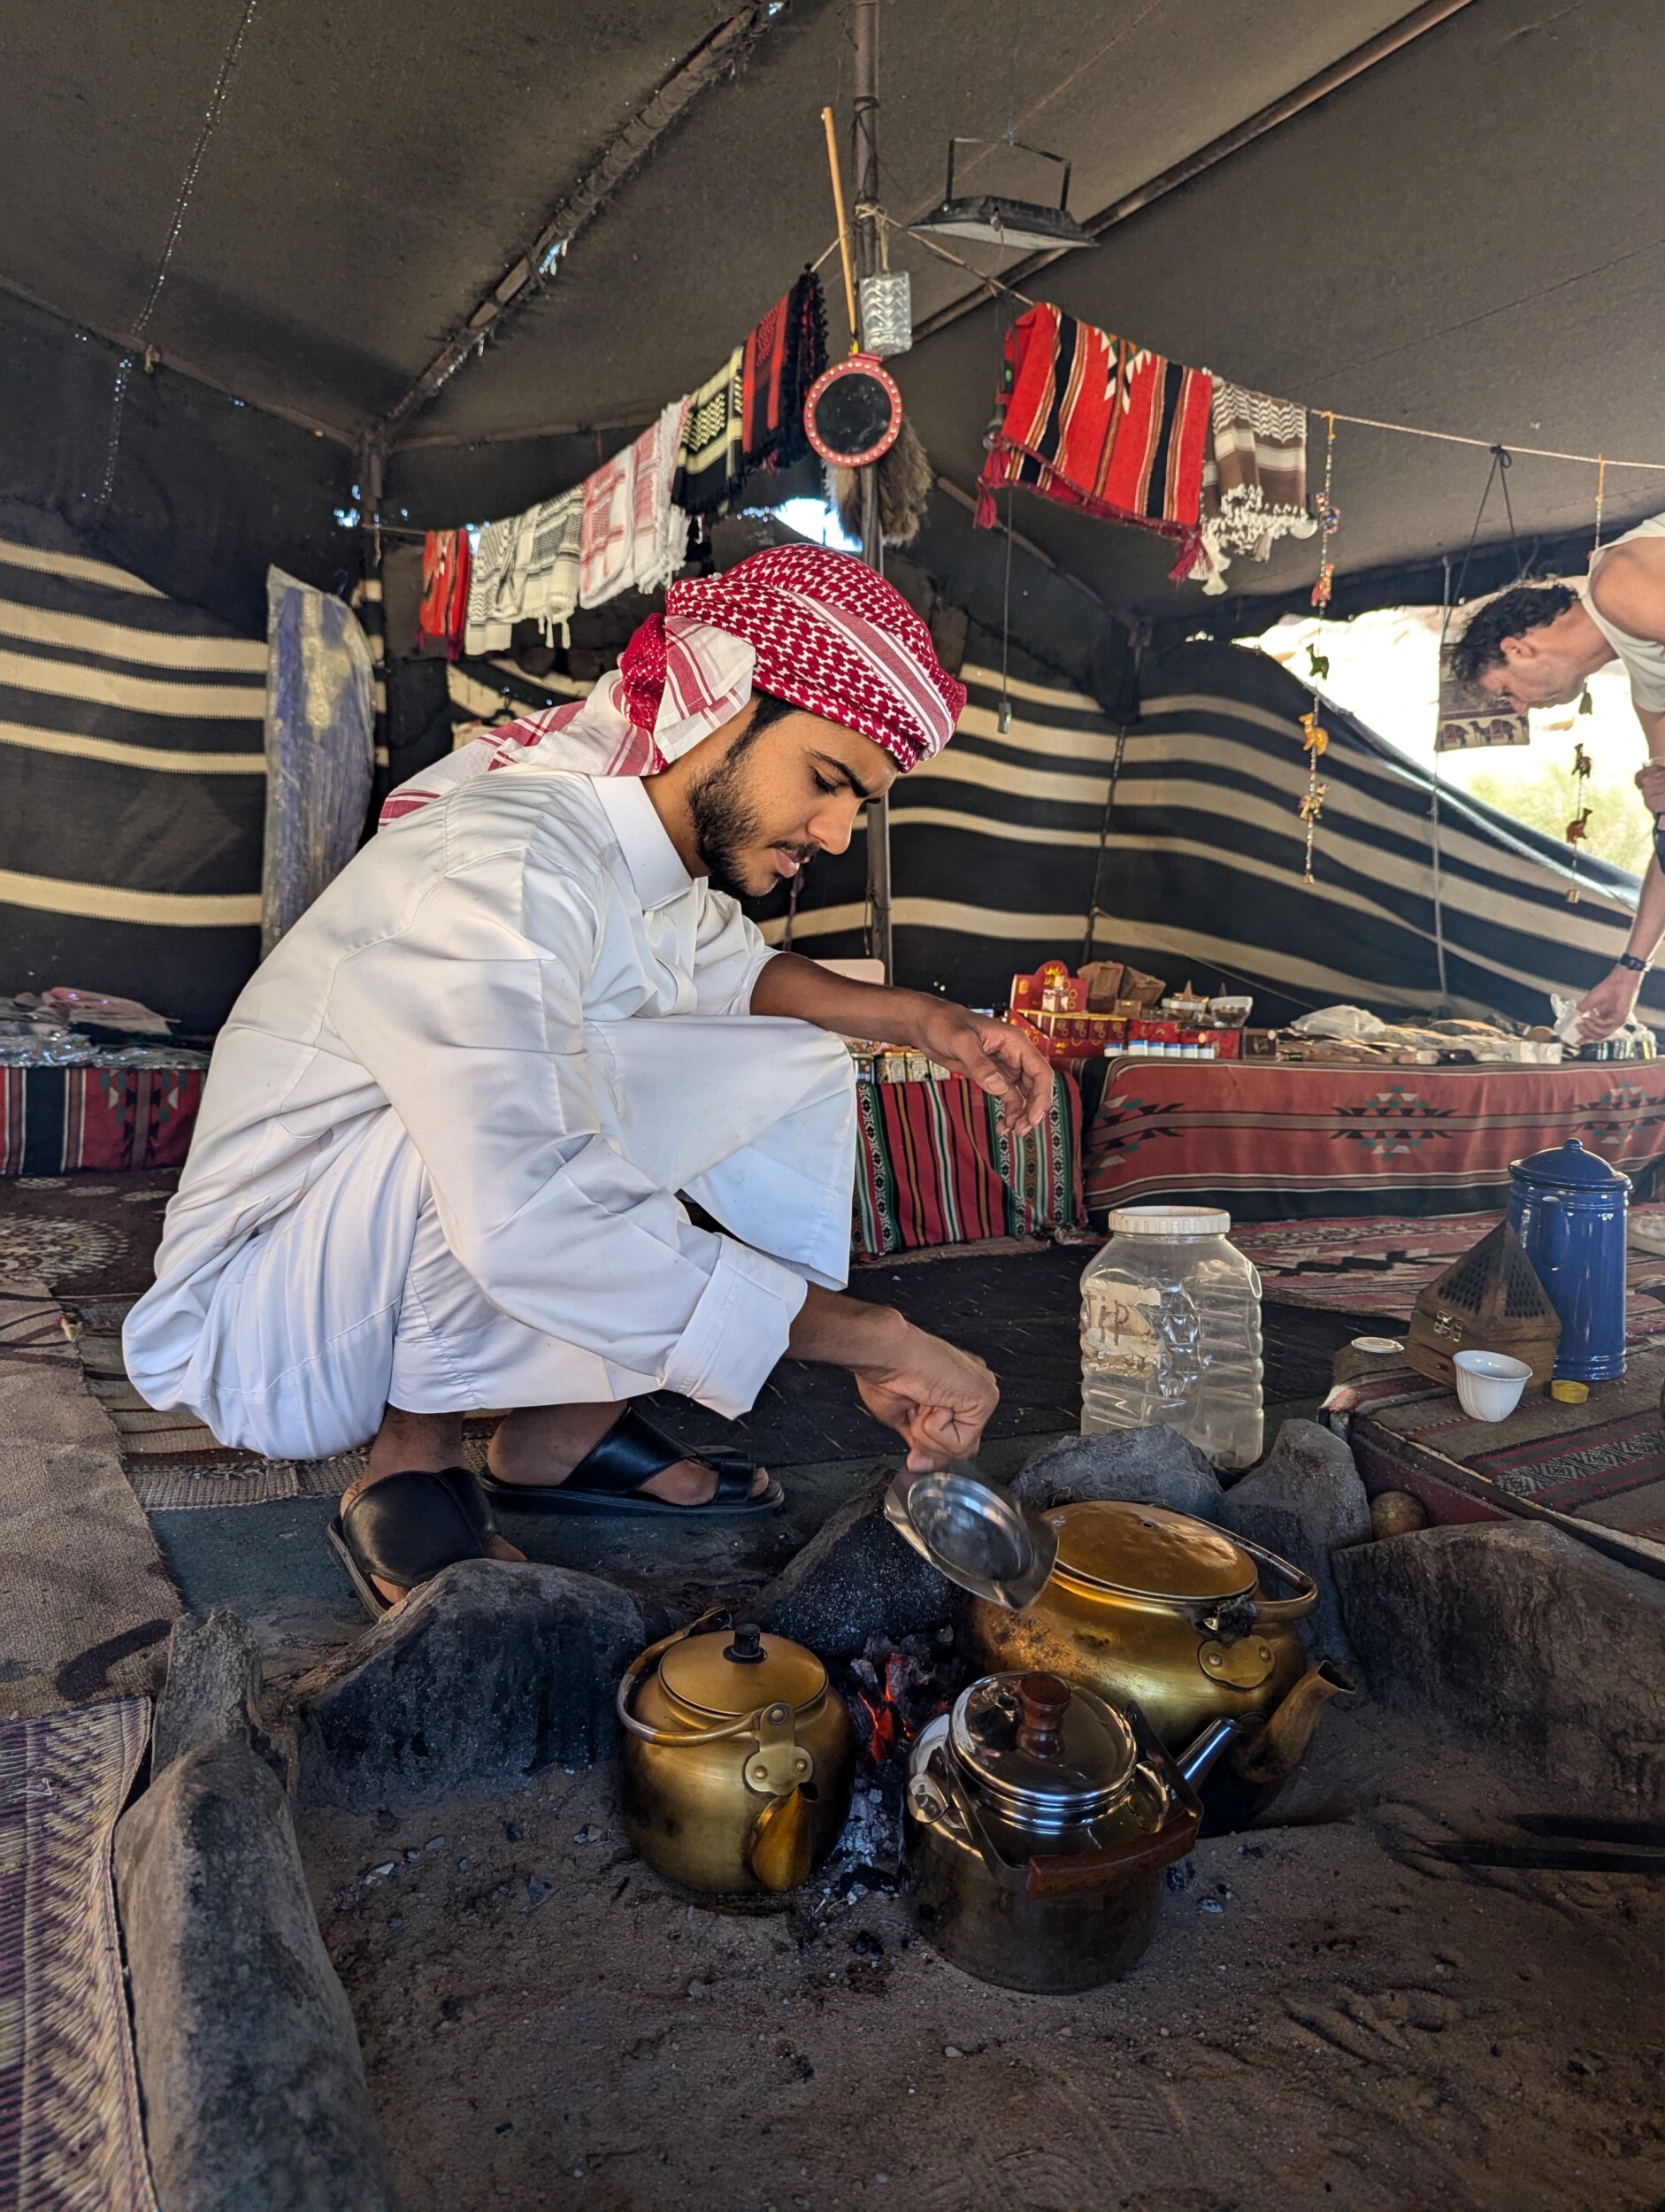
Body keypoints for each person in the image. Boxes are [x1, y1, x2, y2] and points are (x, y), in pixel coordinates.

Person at [124, 545, 1055, 1617]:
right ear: (720, 705)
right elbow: (530, 1206)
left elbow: (730, 971)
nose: (837, 834)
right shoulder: (508, 862)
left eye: (860, 804)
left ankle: (557, 1427)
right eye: (827, 781)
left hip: (378, 1249)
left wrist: (933, 1023)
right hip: (268, 1313)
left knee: (778, 1045)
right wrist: (877, 1339)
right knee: (534, 1106)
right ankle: (410, 1464)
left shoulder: (631, 855)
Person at [1449, 512, 1665, 1038]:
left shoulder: (1616, 584)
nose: (1520, 710)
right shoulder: (1650, 690)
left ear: (1517, 647)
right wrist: (1629, 971)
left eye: (1507, 693)